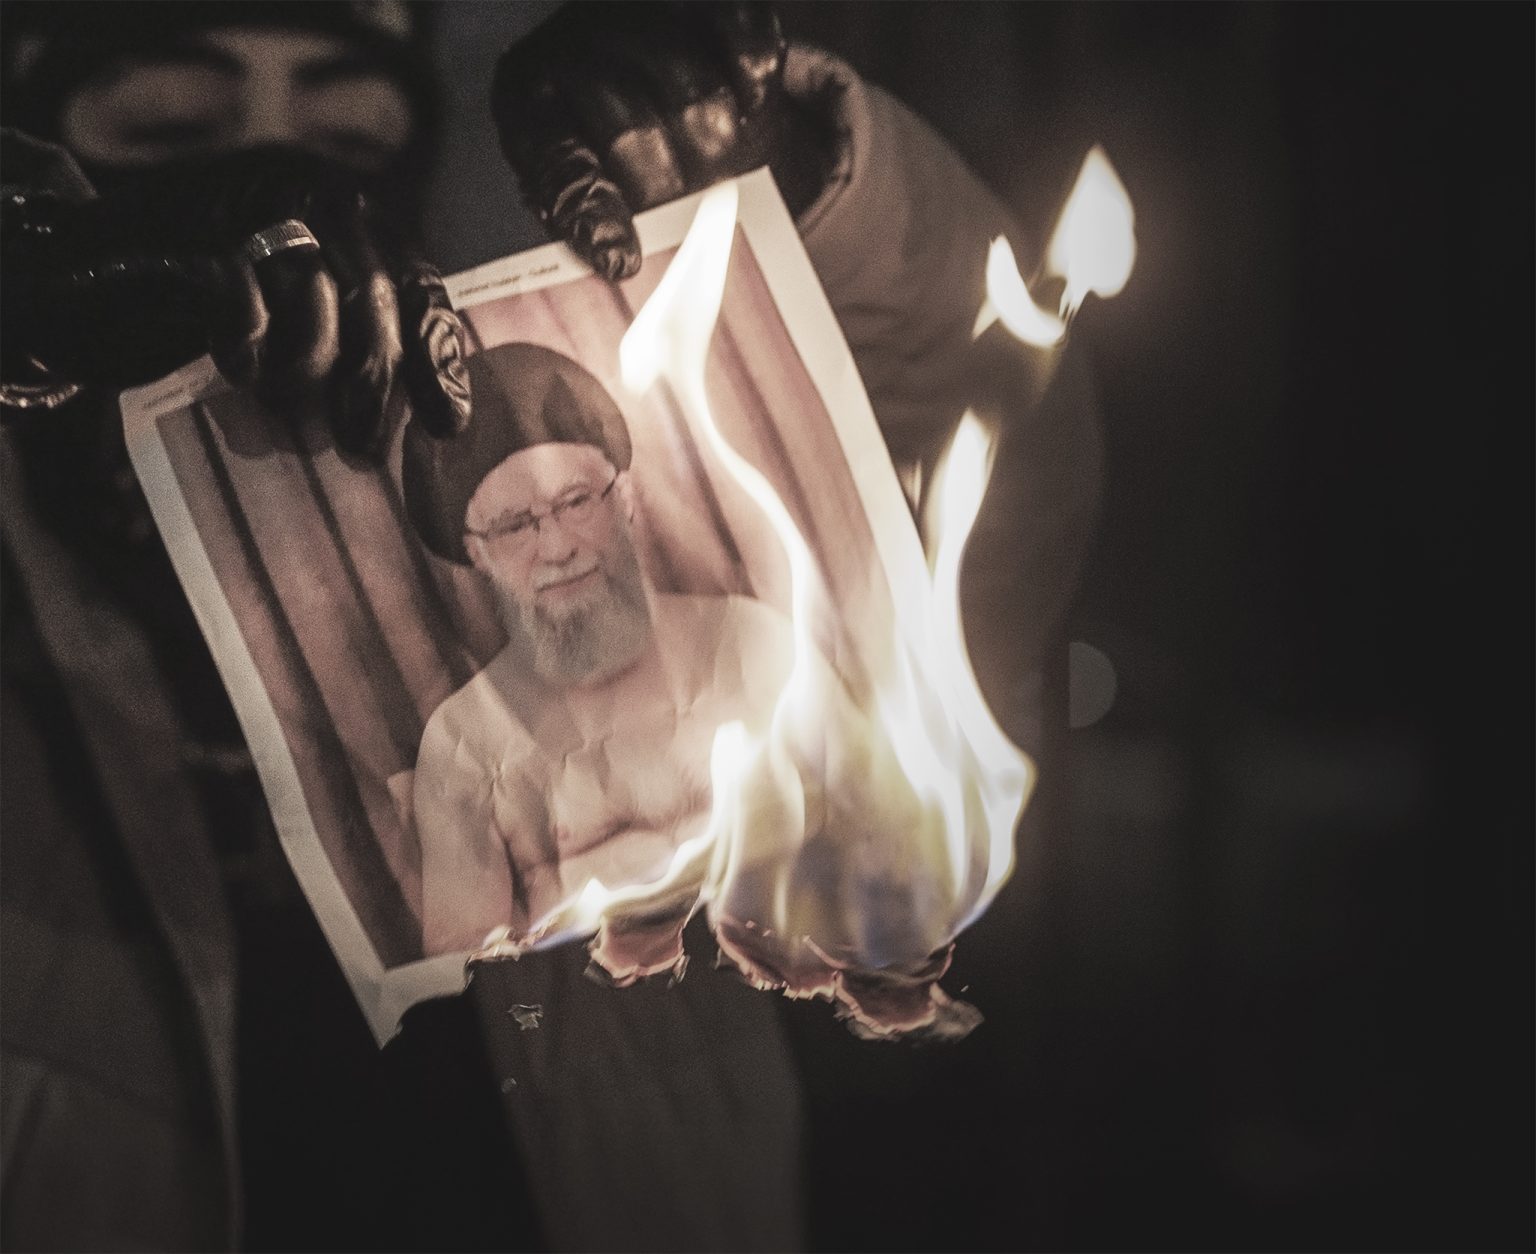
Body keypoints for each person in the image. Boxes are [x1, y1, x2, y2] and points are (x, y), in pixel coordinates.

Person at [1, 2, 1100, 1248]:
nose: (274, 190)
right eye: (168, 130)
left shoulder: (662, 593)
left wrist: (805, 177)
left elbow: (992, 469)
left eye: (343, 135)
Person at [402, 341, 799, 961]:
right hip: (604, 1007)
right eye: (513, 525)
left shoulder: (749, 643)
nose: (557, 546)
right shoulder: (465, 740)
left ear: (626, 496)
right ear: (476, 552)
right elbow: (465, 965)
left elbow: (880, 820)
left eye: (576, 502)